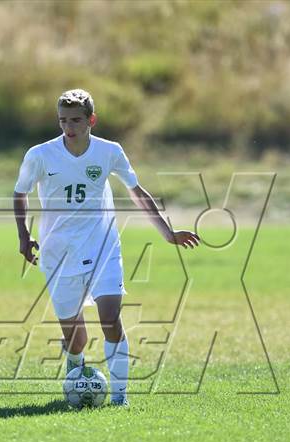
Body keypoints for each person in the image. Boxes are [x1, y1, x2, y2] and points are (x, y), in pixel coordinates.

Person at [13, 88, 200, 407]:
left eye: (75, 120)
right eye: (62, 121)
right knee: (76, 337)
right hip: (59, 252)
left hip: (102, 246)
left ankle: (120, 397)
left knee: (111, 318)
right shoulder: (40, 155)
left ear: (91, 120)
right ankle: (75, 370)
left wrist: (167, 232)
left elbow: (137, 192)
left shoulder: (109, 152)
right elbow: (20, 194)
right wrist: (23, 237)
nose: (68, 127)